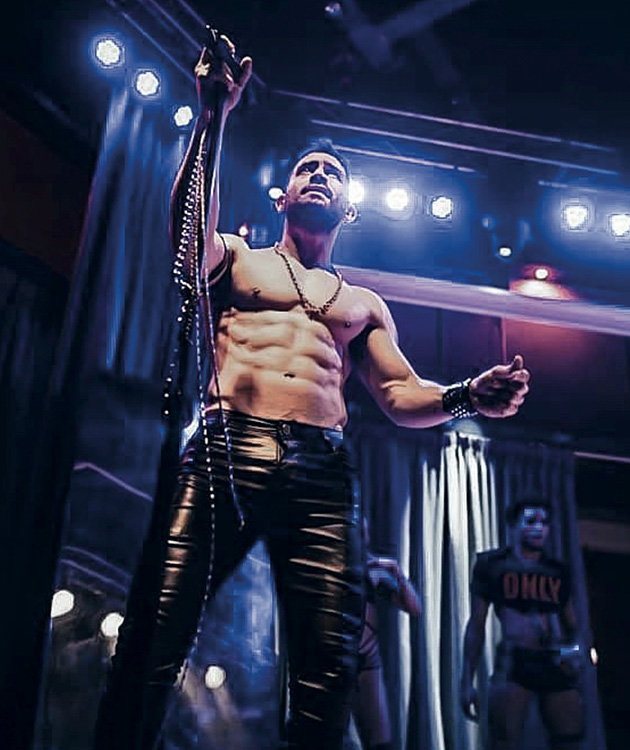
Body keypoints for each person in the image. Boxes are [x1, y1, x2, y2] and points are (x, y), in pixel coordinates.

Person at [94, 39, 530, 750]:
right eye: (308, 169)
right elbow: (186, 235)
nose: (321, 175)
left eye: (333, 173)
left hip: (322, 472)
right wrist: (212, 117)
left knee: (329, 672)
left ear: (350, 209)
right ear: (283, 196)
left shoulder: (363, 303)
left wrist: (466, 396)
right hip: (226, 451)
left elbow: (399, 394)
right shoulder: (239, 257)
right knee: (155, 634)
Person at [460, 496, 584, 750]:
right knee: (503, 740)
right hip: (515, 660)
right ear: (513, 525)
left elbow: (572, 624)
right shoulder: (493, 565)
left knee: (569, 738)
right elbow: (477, 624)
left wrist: (574, 655)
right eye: (530, 521)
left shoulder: (557, 571)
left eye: (544, 522)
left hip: (554, 660)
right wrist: (466, 681)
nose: (538, 528)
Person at [350, 520, 422, 750]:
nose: (361, 536)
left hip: (367, 661)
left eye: (363, 532)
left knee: (380, 743)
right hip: (332, 661)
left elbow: (414, 608)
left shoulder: (373, 568)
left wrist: (397, 573)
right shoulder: (326, 565)